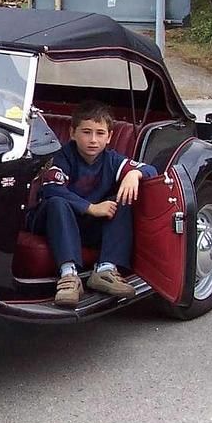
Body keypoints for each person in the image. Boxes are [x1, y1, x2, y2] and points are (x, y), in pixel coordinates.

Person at [26, 101, 158, 308]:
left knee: (123, 198)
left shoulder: (112, 160)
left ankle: (105, 270)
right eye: (86, 132)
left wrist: (134, 173)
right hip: (54, 222)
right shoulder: (62, 157)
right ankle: (69, 276)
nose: (93, 140)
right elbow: (52, 187)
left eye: (100, 133)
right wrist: (91, 208)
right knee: (58, 202)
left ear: (109, 137)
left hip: (87, 226)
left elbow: (152, 171)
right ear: (73, 133)